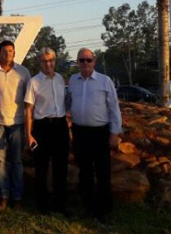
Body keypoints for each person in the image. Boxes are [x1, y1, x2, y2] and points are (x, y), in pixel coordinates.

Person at [67, 48, 122, 222]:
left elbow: (114, 108)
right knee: (85, 172)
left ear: (94, 62)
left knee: (103, 172)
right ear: (77, 62)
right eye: (81, 60)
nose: (85, 63)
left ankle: (103, 210)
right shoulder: (73, 81)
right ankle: (88, 207)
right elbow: (67, 103)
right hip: (80, 132)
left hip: (100, 132)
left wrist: (114, 133)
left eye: (88, 60)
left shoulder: (105, 81)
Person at [0, 39, 31, 211]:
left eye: (11, 51)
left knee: (17, 161)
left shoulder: (23, 72)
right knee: (0, 161)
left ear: (14, 53)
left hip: (17, 122)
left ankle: (17, 197)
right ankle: (3, 196)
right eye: (4, 51)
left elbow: (28, 99)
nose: (8, 54)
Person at [24, 47, 69, 215]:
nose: (48, 64)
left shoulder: (59, 79)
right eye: (44, 61)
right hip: (42, 127)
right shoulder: (33, 82)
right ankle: (41, 205)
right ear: (39, 62)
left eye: (51, 60)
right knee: (41, 168)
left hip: (60, 126)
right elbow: (28, 110)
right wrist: (28, 134)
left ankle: (60, 205)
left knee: (61, 167)